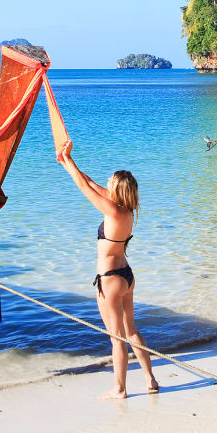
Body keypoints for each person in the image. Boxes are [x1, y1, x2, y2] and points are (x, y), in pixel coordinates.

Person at [58, 150, 159, 399]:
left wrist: (68, 161)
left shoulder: (112, 210)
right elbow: (90, 182)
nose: (106, 184)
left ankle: (120, 389)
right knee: (131, 330)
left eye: (110, 182)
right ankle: (150, 380)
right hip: (126, 275)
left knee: (117, 339)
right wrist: (68, 162)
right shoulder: (127, 210)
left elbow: (82, 186)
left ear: (117, 189)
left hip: (111, 279)